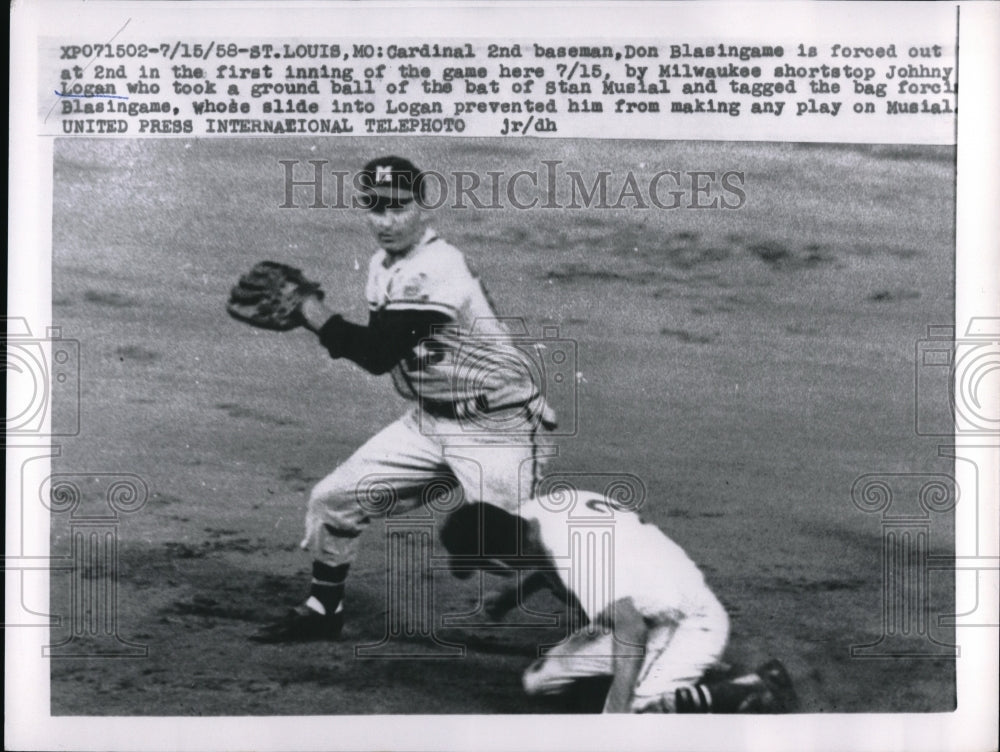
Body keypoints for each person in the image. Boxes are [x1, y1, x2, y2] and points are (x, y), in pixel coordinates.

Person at [252, 155, 557, 643]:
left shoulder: (438, 266)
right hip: (427, 423)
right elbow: (388, 347)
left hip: (496, 426)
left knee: (525, 549)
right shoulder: (383, 265)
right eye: (375, 208)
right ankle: (322, 609)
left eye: (398, 207)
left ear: (423, 208)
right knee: (333, 500)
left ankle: (626, 618)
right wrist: (325, 324)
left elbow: (377, 354)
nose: (386, 221)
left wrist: (313, 314)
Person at [439, 493, 797, 713]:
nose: (487, 573)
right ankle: (678, 671)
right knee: (540, 682)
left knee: (638, 716)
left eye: (484, 565)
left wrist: (616, 712)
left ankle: (750, 686)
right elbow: (547, 562)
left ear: (501, 558)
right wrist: (512, 595)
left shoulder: (575, 558)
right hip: (650, 605)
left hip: (688, 620)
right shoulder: (536, 514)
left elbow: (631, 628)